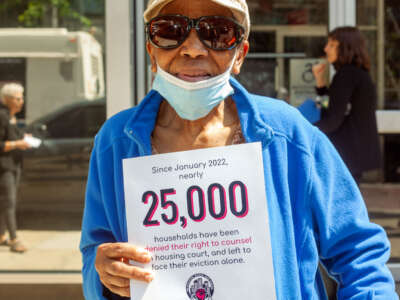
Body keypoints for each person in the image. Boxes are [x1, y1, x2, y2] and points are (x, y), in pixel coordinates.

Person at [80, 1, 398, 299]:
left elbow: (358, 252)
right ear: (151, 52)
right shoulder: (115, 144)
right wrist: (106, 277)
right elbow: (97, 256)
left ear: (240, 54)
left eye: (216, 32)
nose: (192, 49)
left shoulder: (287, 135)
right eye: (170, 31)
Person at [312, 27, 381, 183]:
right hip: (354, 153)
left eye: (332, 44)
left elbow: (333, 119)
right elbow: (329, 109)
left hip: (347, 153)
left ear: (345, 47)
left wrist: (306, 130)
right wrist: (321, 84)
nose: (326, 48)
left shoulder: (346, 75)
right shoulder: (355, 73)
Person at [0, 83, 31, 253]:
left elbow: (13, 137)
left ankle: (1, 236)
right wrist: (17, 143)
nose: (21, 101)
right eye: (18, 98)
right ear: (7, 99)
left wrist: (24, 138)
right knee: (9, 203)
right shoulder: (2, 116)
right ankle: (14, 239)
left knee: (4, 203)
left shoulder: (12, 117)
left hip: (13, 166)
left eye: (22, 98)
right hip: (4, 168)